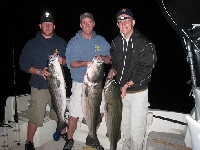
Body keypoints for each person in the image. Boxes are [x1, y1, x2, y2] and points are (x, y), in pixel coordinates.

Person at [107, 8, 157, 150]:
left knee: (136, 132)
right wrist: (111, 72)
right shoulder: (116, 42)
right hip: (121, 95)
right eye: (120, 21)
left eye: (127, 20)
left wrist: (128, 84)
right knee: (124, 128)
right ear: (117, 24)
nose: (124, 24)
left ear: (133, 22)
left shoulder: (144, 44)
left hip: (137, 94)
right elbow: (115, 64)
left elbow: (146, 68)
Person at [19, 11, 67, 150]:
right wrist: (39, 71)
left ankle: (62, 131)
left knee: (59, 113)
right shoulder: (31, 44)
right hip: (38, 86)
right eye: (45, 24)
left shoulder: (61, 42)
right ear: (40, 26)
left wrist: (63, 60)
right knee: (36, 114)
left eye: (50, 23)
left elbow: (69, 61)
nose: (47, 26)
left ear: (54, 26)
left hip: (57, 87)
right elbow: (23, 63)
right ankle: (29, 142)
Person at [64, 12, 111, 150]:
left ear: (93, 24)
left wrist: (102, 57)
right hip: (80, 83)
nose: (87, 24)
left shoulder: (100, 40)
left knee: (100, 112)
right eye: (84, 22)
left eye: (89, 22)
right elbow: (71, 63)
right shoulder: (74, 42)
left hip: (97, 84)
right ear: (80, 25)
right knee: (74, 114)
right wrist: (85, 63)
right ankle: (69, 139)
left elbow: (111, 58)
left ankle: (91, 137)